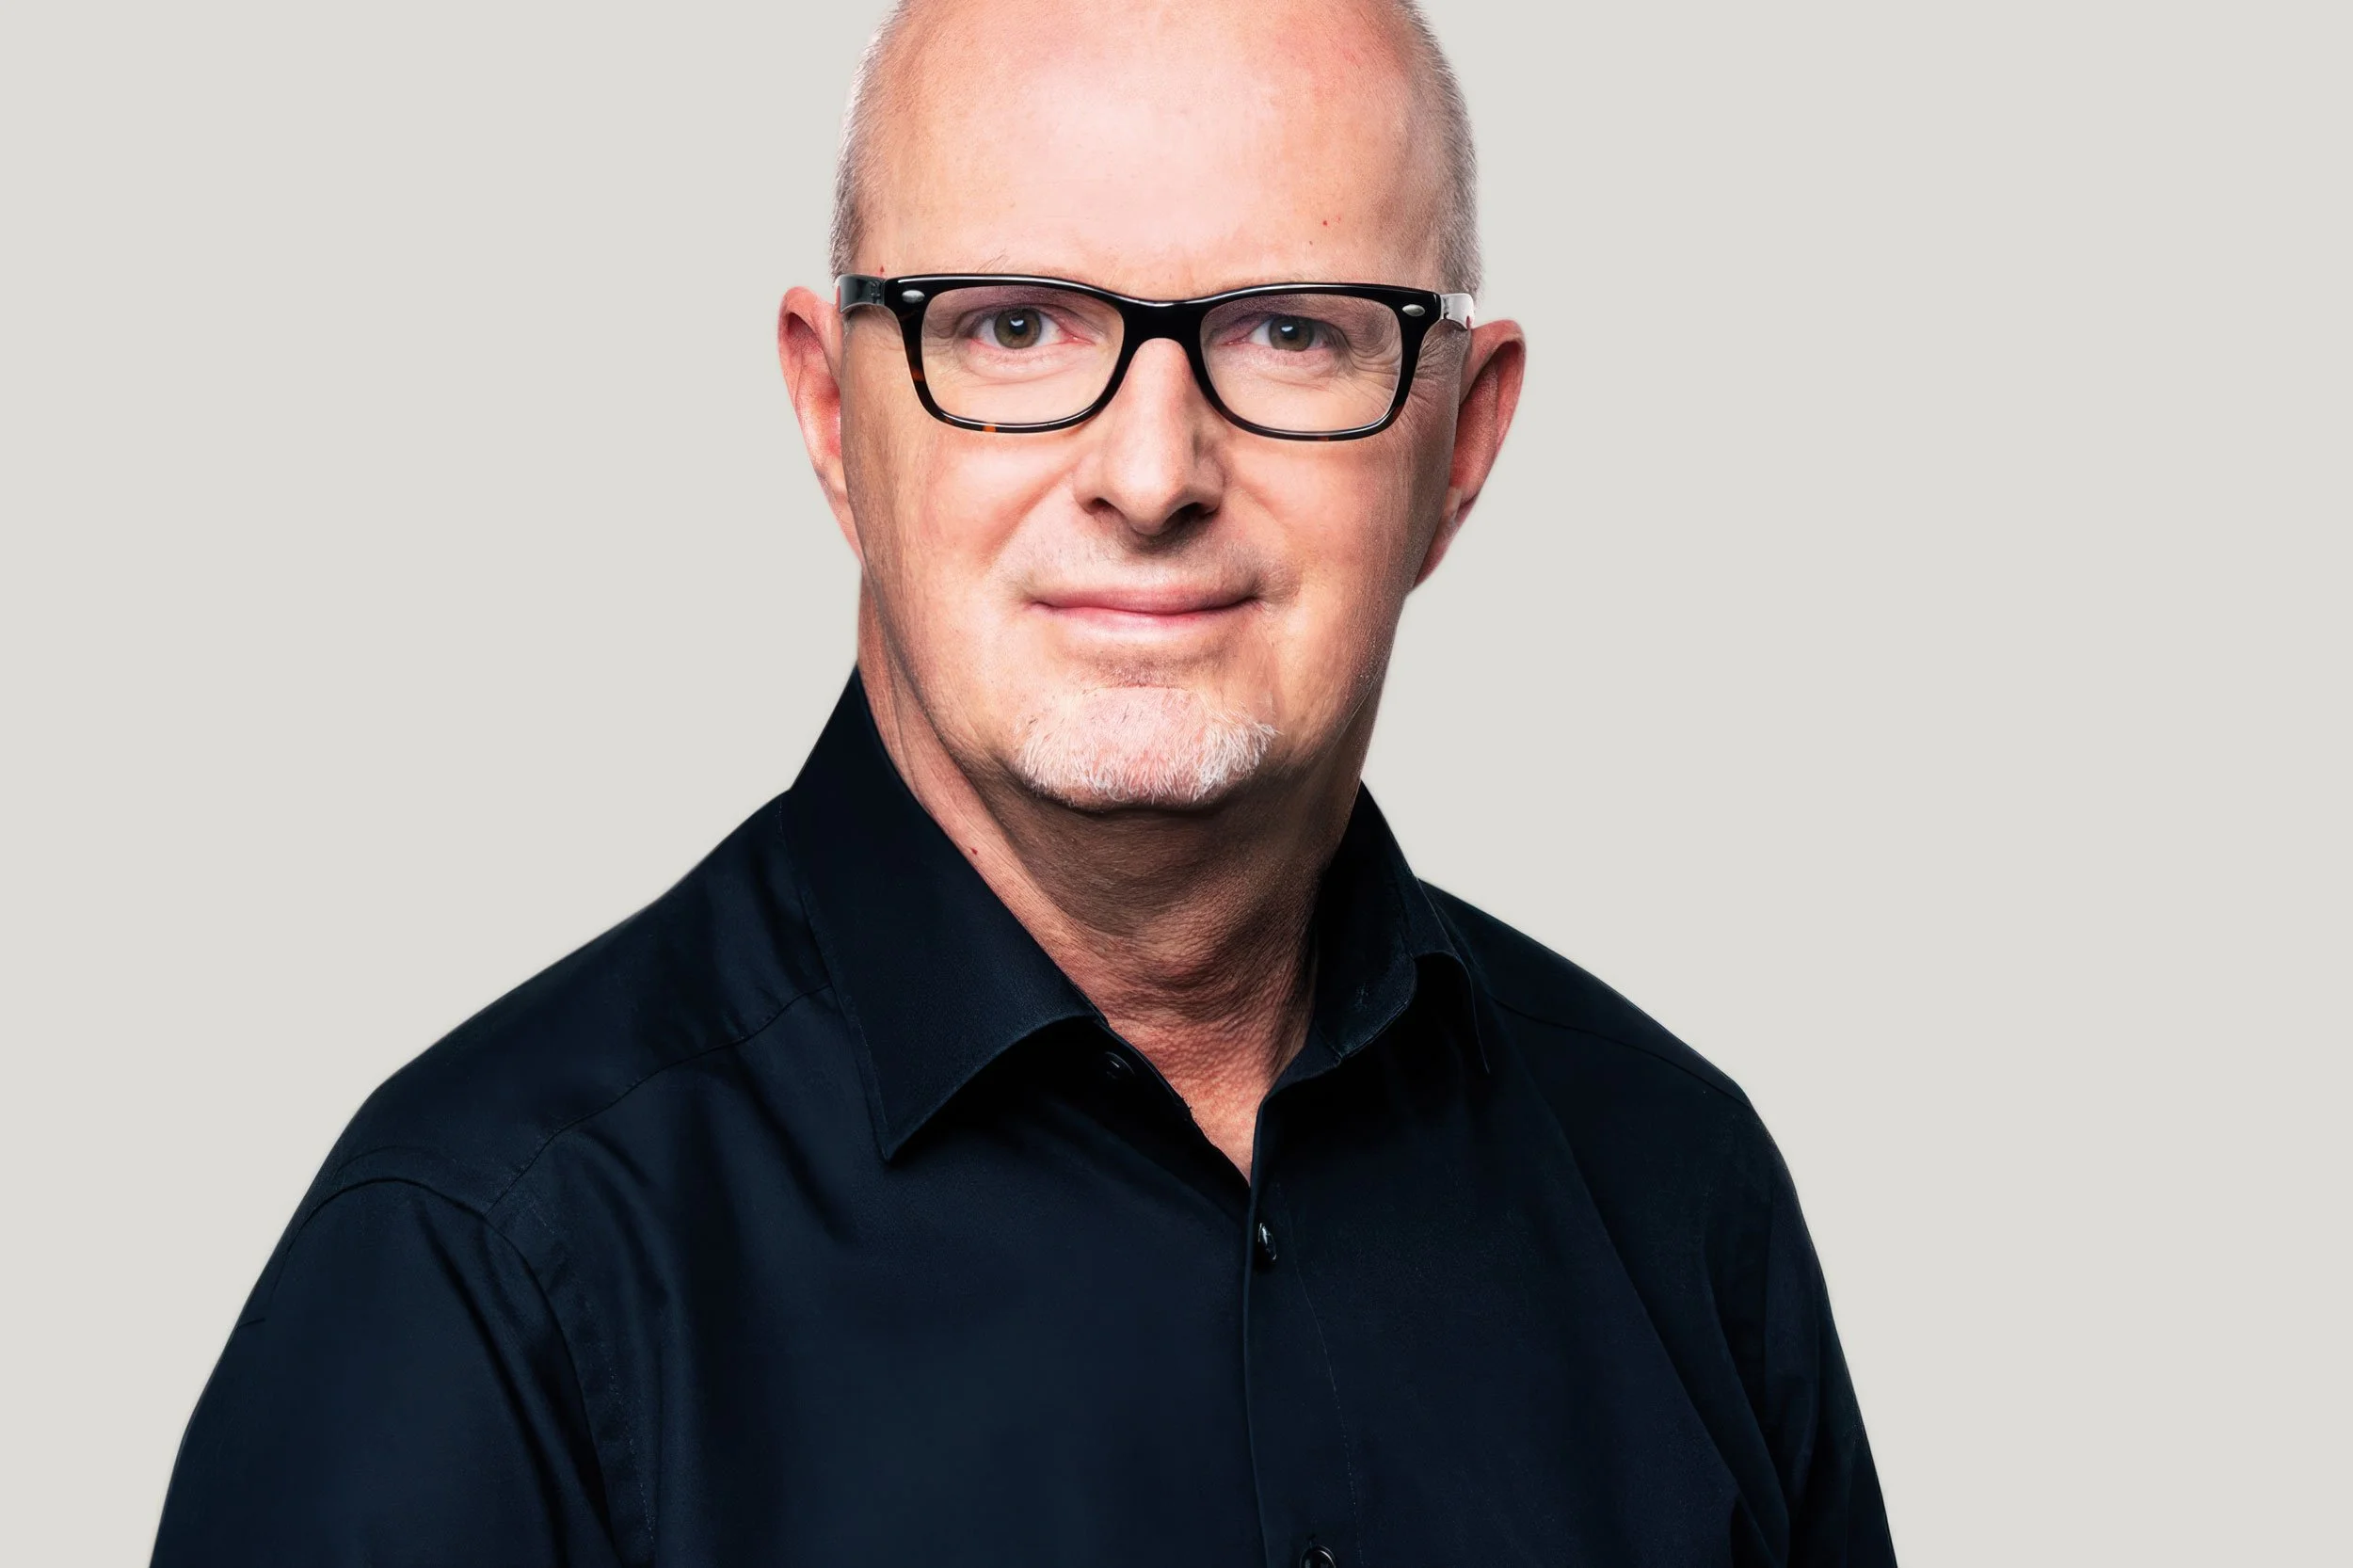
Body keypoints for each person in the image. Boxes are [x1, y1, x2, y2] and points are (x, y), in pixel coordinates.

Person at [152, 0, 1896, 1561]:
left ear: (1463, 441)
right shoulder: (483, 1279)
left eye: (1292, 333)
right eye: (1012, 327)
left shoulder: (1681, 1193)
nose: (1151, 470)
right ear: (832, 417)